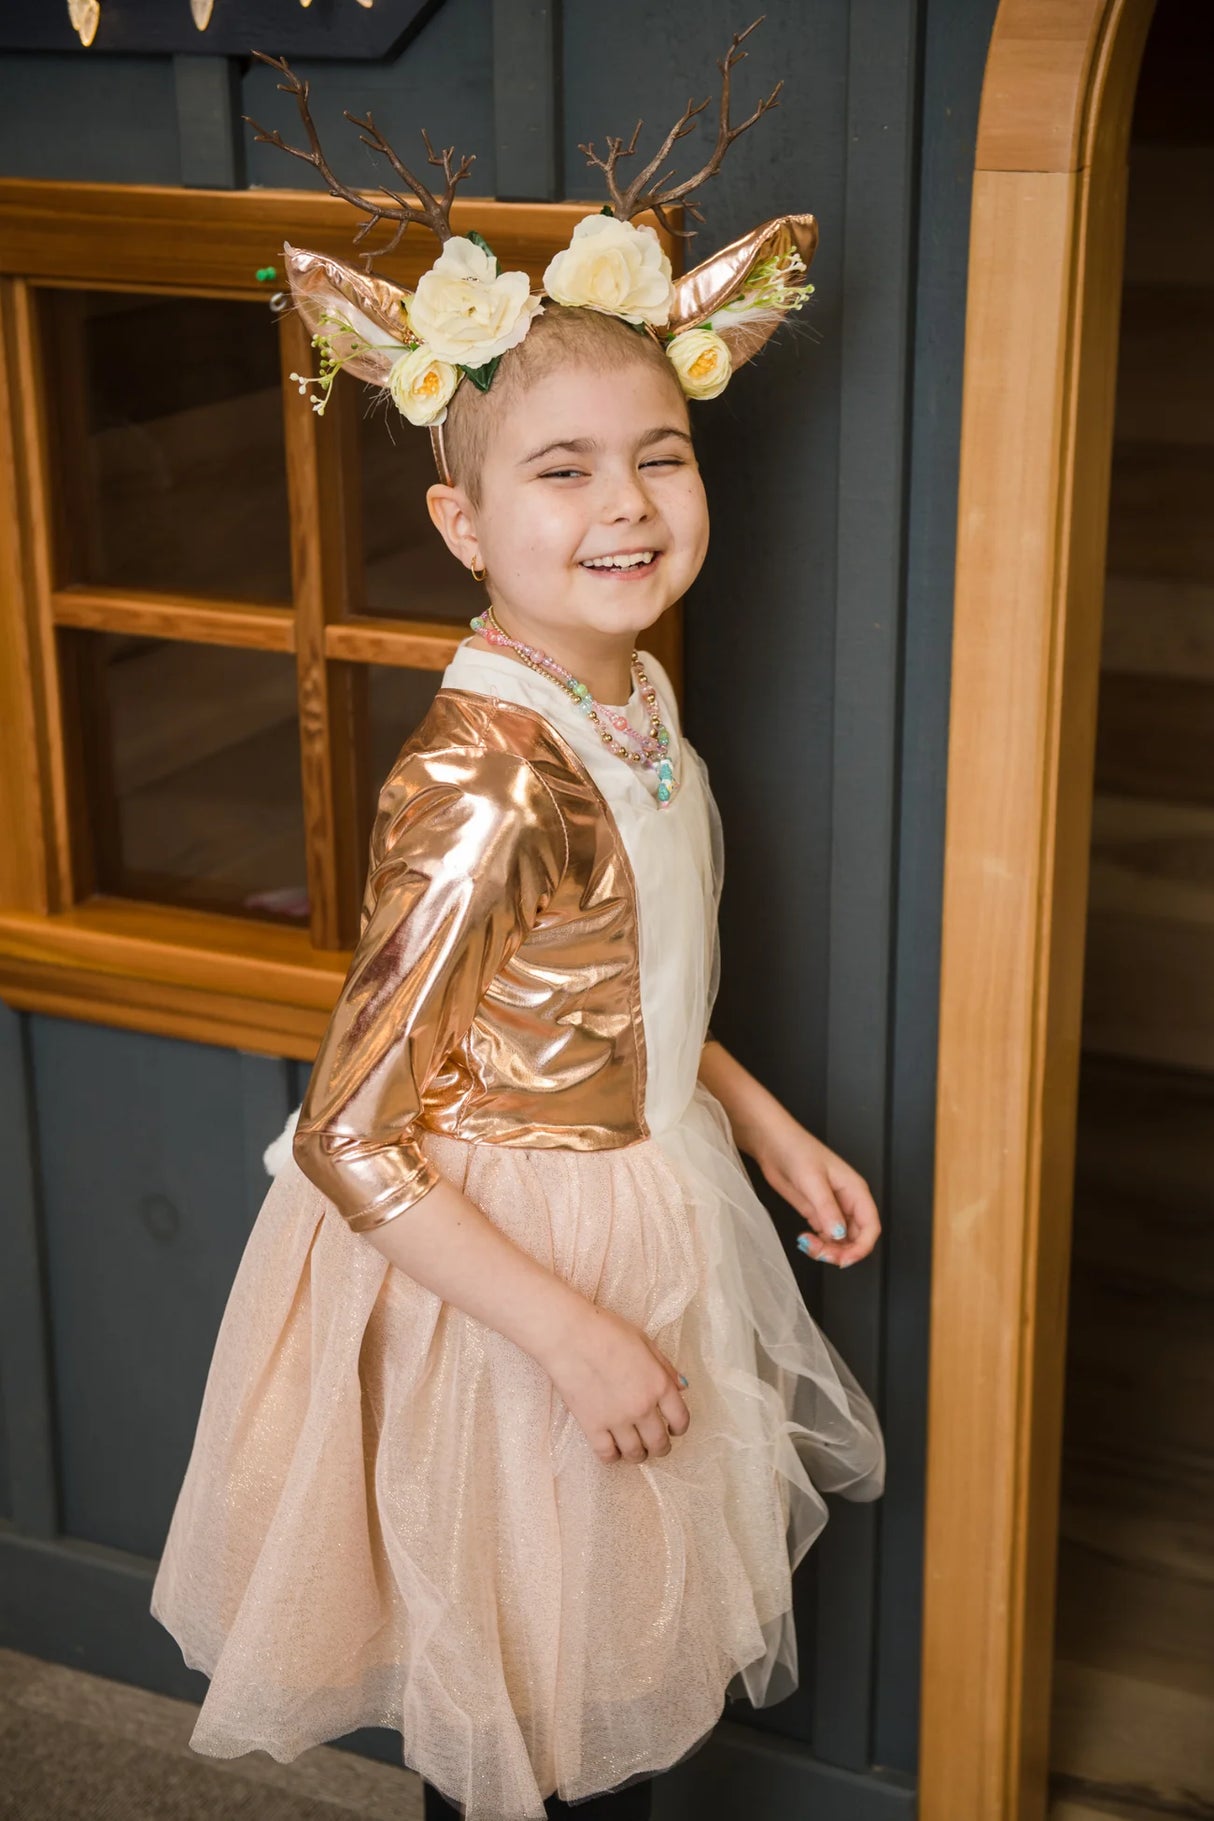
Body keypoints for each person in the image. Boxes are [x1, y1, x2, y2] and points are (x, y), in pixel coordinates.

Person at [150, 24, 886, 1820]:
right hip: (514, 1273)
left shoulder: (620, 700)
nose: (626, 505)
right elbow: (346, 1130)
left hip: (651, 1192)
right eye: (560, 471)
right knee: (530, 1722)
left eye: (661, 455)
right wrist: (565, 1333)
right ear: (459, 517)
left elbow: (625, 974)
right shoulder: (487, 778)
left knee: (614, 1681)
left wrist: (764, 1124)